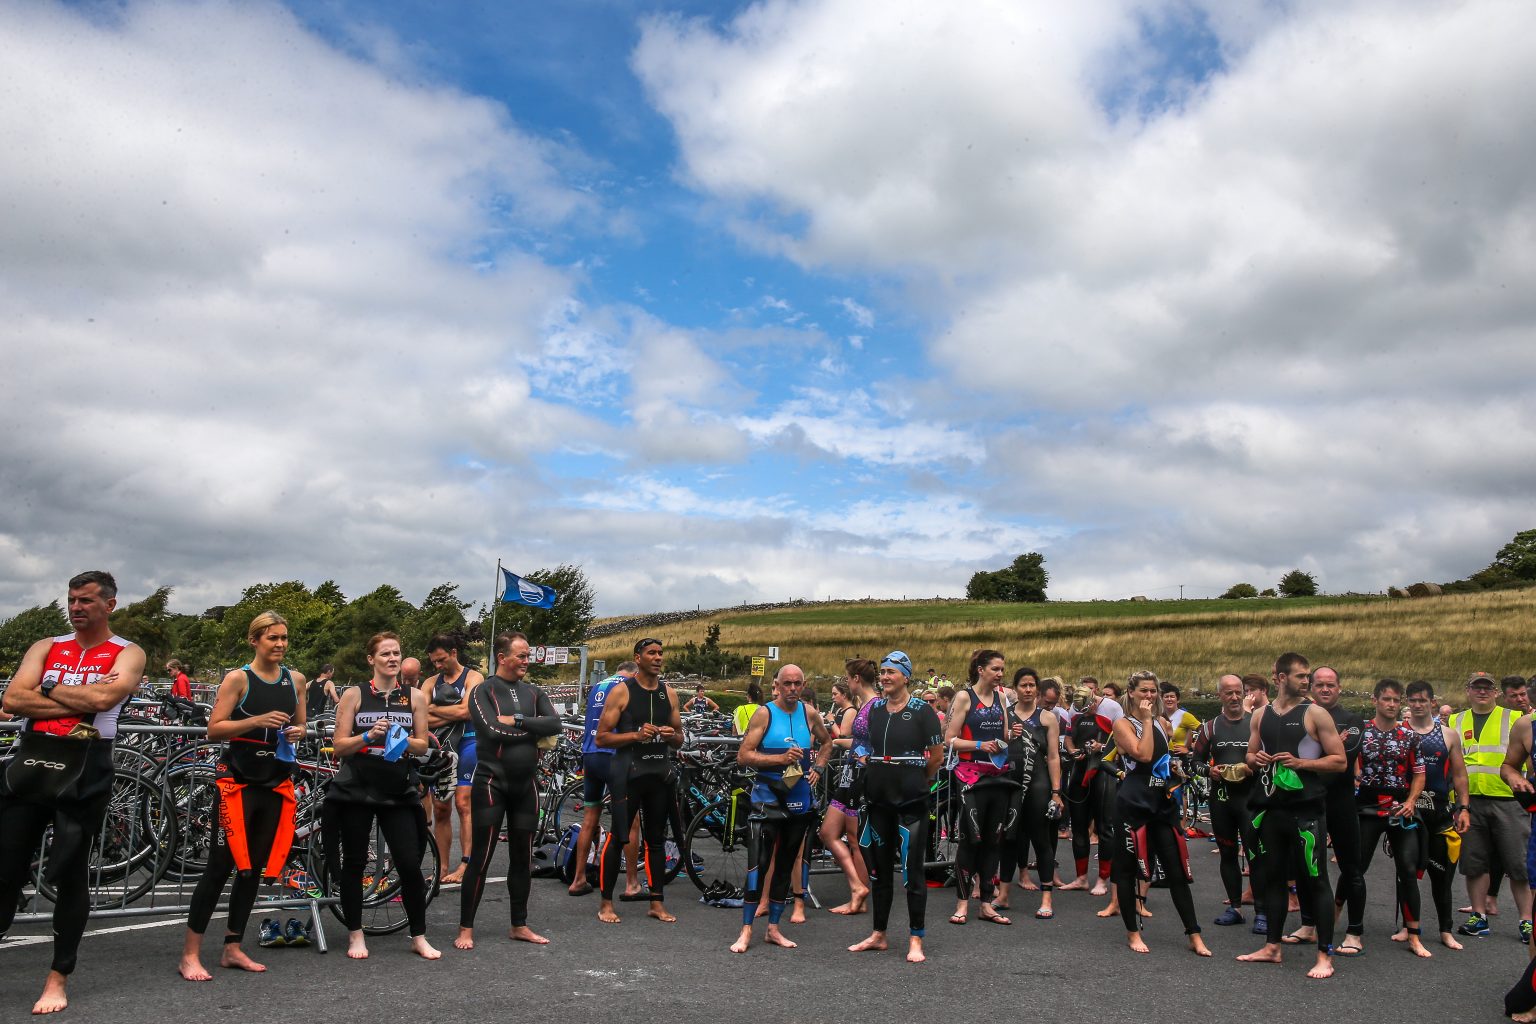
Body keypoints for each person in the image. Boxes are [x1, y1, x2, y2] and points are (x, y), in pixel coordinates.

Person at [0, 570, 145, 1015]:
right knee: (5, 870)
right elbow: (12, 699)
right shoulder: (46, 646)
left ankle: (58, 975)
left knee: (68, 872)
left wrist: (45, 687)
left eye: (85, 600)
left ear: (109, 604)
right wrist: (74, 695)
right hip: (34, 759)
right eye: (72, 600)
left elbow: (105, 702)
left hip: (88, 765)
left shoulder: (128, 652)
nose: (76, 607)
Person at [179, 611, 306, 980]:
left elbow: (298, 724)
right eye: (272, 638)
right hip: (238, 785)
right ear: (255, 641)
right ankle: (190, 954)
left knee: (252, 870)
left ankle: (232, 948)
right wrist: (255, 721)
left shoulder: (295, 679)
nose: (280, 644)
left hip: (274, 783)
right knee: (219, 867)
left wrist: (298, 732)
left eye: (284, 638)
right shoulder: (239, 678)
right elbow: (214, 729)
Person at [323, 632, 438, 960]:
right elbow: (340, 745)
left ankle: (419, 936)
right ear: (371, 659)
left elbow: (423, 744)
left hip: (396, 790)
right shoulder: (354, 695)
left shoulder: (414, 697)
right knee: (355, 863)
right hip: (357, 788)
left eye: (396, 653)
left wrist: (399, 738)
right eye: (385, 653)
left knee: (409, 864)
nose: (392, 658)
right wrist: (368, 736)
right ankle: (355, 934)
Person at [1237, 652, 1346, 979]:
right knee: (1272, 879)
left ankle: (1324, 955)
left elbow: (1339, 761)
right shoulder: (1260, 715)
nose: (1307, 681)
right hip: (1272, 809)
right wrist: (1258, 759)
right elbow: (1249, 755)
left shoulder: (1316, 714)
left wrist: (1302, 764)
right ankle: (1272, 946)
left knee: (1316, 882)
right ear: (1281, 678)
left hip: (1306, 811)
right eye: (1301, 676)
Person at [456, 632, 561, 949]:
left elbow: (555, 725)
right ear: (502, 657)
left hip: (525, 785)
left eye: (528, 656)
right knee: (481, 857)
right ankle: (465, 928)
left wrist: (516, 720)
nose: (527, 662)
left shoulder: (534, 691)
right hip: (491, 782)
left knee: (521, 858)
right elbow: (490, 729)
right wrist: (531, 727)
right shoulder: (482, 691)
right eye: (522, 656)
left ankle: (519, 924)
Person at [849, 651, 943, 963]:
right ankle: (879, 934)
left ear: (906, 676)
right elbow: (858, 742)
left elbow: (936, 757)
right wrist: (864, 757)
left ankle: (917, 938)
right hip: (878, 801)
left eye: (892, 672)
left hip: (911, 803)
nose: (886, 677)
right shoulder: (874, 709)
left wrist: (917, 781)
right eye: (884, 672)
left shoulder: (921, 711)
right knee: (878, 872)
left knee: (912, 871)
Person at [730, 664, 832, 953]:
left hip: (798, 799)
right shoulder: (765, 713)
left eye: (797, 683)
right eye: (786, 683)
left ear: (803, 684)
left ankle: (773, 929)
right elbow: (743, 756)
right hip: (767, 799)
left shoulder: (809, 713)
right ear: (777, 684)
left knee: (786, 866)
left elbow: (827, 743)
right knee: (757, 866)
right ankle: (746, 930)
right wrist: (780, 759)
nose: (792, 689)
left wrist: (819, 768)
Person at [1110, 672, 1211, 956]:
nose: (1150, 697)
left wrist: (1176, 778)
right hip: (1133, 801)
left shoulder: (1162, 722)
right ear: (1131, 693)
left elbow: (1163, 761)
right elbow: (1142, 755)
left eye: (1153, 691)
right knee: (1129, 870)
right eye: (1144, 691)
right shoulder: (1123, 724)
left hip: (1161, 800)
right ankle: (1133, 932)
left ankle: (1194, 933)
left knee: (1176, 869)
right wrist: (1145, 720)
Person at [595, 638, 685, 925]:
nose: (658, 658)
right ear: (638, 657)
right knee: (619, 837)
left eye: (661, 653)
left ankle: (656, 902)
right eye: (652, 653)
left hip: (658, 774)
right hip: (627, 773)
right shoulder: (621, 691)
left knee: (657, 840)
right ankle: (606, 903)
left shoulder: (668, 693)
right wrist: (635, 735)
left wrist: (672, 735)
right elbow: (602, 737)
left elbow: (680, 738)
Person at [1288, 665, 1366, 948]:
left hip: (1341, 803)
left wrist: (1311, 755)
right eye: (1319, 684)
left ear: (1339, 688)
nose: (1324, 689)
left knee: (1352, 870)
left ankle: (1354, 932)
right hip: (1308, 803)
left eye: (1330, 685)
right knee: (1306, 868)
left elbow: (1341, 761)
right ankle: (1308, 925)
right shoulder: (1301, 717)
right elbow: (1293, 755)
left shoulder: (1352, 719)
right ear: (1311, 688)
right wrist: (1327, 750)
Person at [1350, 679, 1429, 957]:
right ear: (1375, 701)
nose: (1392, 705)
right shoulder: (1361, 731)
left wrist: (1410, 802)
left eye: (1397, 701)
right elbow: (1345, 760)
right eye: (1387, 699)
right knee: (1356, 868)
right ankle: (1352, 930)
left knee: (1408, 870)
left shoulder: (1410, 736)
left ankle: (1414, 935)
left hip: (1400, 807)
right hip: (1368, 807)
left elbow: (1419, 773)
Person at [1454, 671, 1533, 942]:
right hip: (1470, 802)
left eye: (1487, 688)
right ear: (1468, 691)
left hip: (1508, 801)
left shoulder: (1515, 719)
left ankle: (1527, 920)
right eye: (1477, 687)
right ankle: (1479, 916)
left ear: (1496, 692)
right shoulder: (1455, 719)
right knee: (1474, 863)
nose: (1482, 692)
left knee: (1518, 864)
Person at [944, 650, 1019, 926]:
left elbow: (1003, 737)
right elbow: (949, 739)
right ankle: (962, 903)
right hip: (969, 776)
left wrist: (1012, 735)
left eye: (1002, 668)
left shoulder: (1001, 697)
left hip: (997, 775)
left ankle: (986, 903)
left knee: (993, 839)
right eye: (996, 669)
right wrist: (978, 745)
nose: (1000, 673)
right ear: (980, 670)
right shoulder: (965, 697)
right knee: (971, 838)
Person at [1400, 680, 1471, 950]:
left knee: (1442, 877)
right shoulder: (1400, 731)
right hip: (1410, 812)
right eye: (1412, 700)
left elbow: (1459, 775)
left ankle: (1445, 930)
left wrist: (1464, 808)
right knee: (1406, 873)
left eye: (1422, 700)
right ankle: (1408, 928)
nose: (1417, 705)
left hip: (1440, 814)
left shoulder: (1448, 734)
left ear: (1432, 702)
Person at [1190, 674, 1258, 928]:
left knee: (1257, 856)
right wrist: (1210, 771)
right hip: (1222, 800)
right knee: (1227, 853)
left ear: (1243, 693)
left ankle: (1262, 910)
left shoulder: (1256, 723)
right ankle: (1235, 907)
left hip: (1251, 800)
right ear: (1219, 695)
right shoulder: (1210, 727)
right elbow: (1193, 762)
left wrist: (1254, 768)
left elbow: (1270, 759)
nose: (1234, 697)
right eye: (1228, 692)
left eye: (1238, 691)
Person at [998, 666, 1065, 919]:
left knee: (1041, 839)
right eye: (1023, 685)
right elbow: (996, 750)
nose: (1027, 690)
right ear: (1015, 689)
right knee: (1008, 839)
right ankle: (1003, 895)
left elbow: (1053, 757)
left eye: (1031, 685)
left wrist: (1056, 792)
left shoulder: (1047, 718)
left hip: (1038, 784)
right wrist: (1006, 736)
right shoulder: (1005, 715)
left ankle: (1046, 897)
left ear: (1037, 689)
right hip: (1011, 784)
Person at [567, 661, 637, 897]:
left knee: (590, 817)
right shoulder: (629, 685)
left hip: (590, 754)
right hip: (614, 756)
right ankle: (631, 883)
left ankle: (578, 879)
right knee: (631, 820)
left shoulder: (598, 685)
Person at [420, 634, 483, 885]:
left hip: (469, 742)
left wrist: (434, 709)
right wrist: (452, 712)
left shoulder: (474, 677)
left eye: (441, 660)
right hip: (443, 746)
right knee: (441, 807)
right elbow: (421, 717)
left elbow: (467, 710)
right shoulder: (429, 682)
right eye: (434, 662)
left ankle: (466, 864)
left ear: (454, 653)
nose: (438, 666)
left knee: (464, 803)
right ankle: (442, 866)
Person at [824, 658, 877, 915]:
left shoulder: (875, 705)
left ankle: (860, 896)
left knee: (855, 839)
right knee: (828, 832)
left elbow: (878, 741)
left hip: (862, 775)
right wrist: (832, 743)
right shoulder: (865, 704)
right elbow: (857, 741)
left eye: (847, 678)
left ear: (856, 678)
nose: (846, 682)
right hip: (850, 772)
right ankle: (857, 888)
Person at [1062, 681, 1124, 895]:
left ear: (1094, 698)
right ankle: (1081, 878)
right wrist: (1072, 751)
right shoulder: (1074, 710)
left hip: (1103, 771)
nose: (1085, 712)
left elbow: (1123, 740)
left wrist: (1103, 747)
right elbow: (1069, 736)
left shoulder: (1113, 708)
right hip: (1080, 769)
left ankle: (1103, 879)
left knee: (1105, 826)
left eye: (1087, 708)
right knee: (1078, 825)